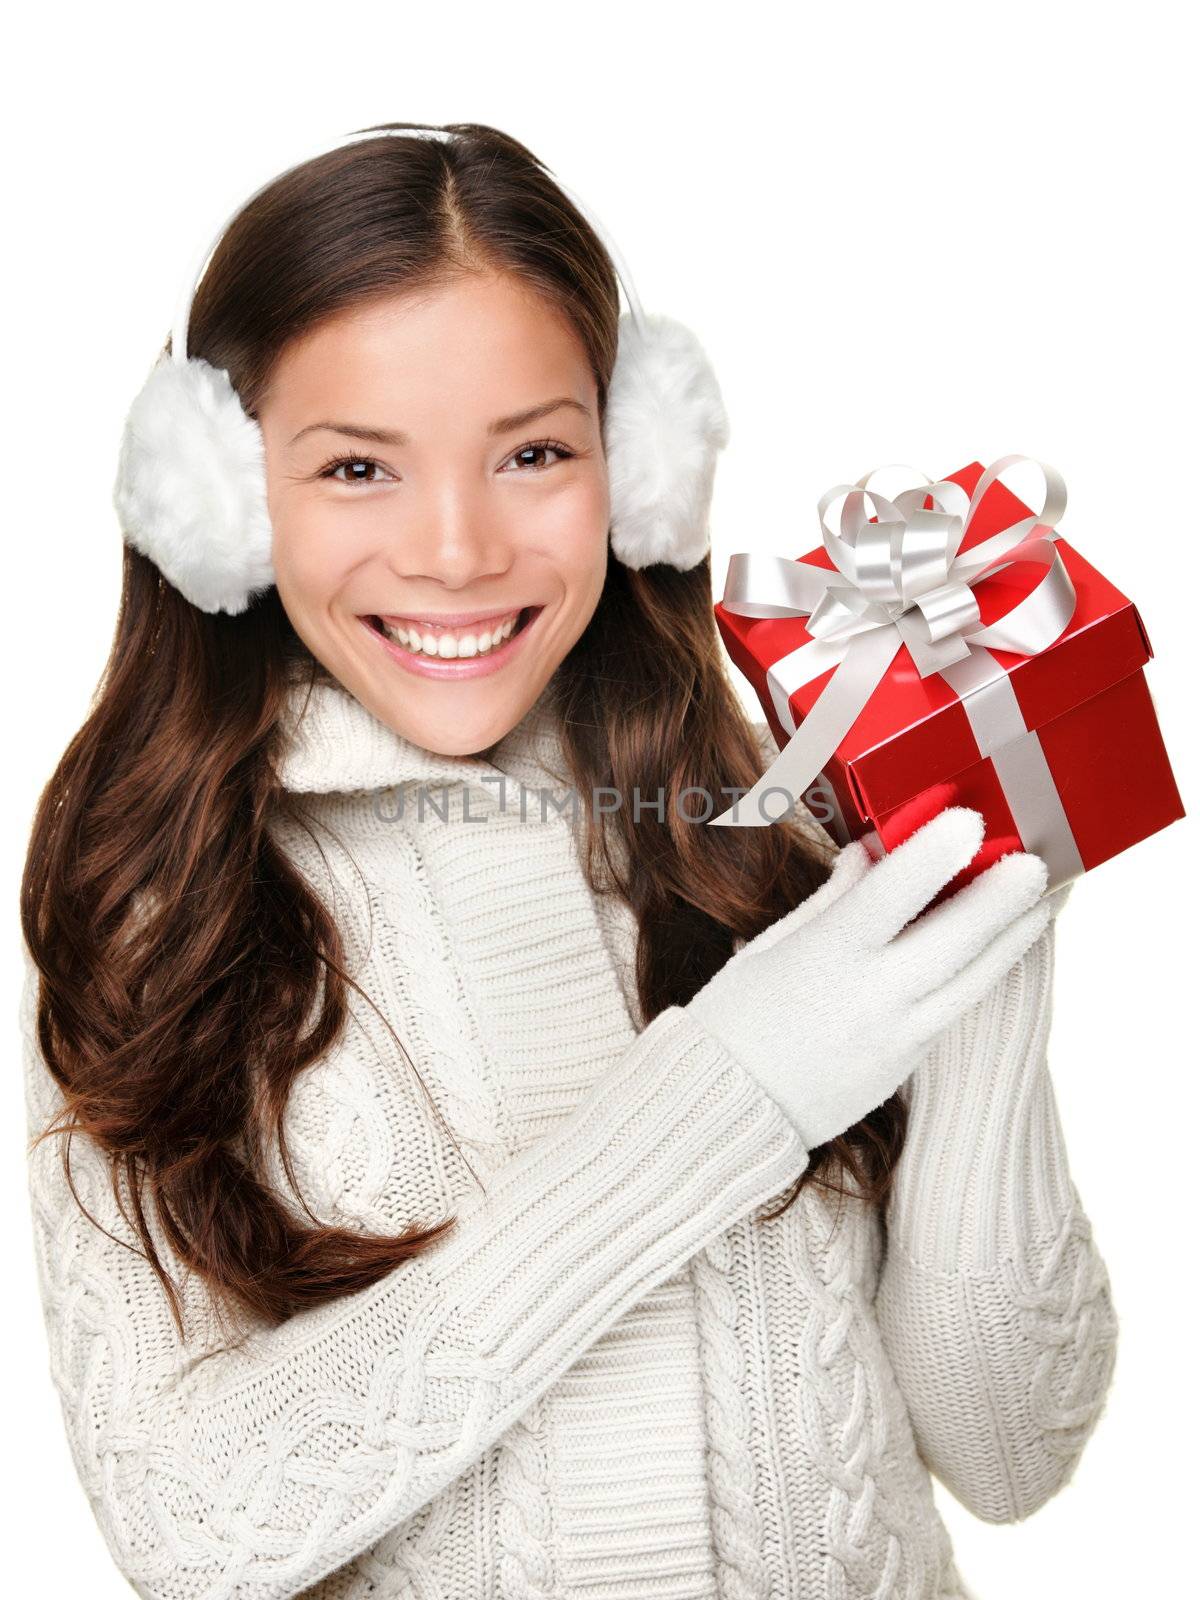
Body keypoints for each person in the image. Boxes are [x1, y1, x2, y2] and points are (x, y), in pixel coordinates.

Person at [18, 121, 1117, 1599]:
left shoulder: (772, 846)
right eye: (358, 468)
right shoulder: (156, 920)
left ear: (637, 468)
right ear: (216, 501)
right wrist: (733, 1088)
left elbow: (1013, 1456)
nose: (459, 550)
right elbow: (195, 1532)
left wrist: (983, 929)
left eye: (535, 452)